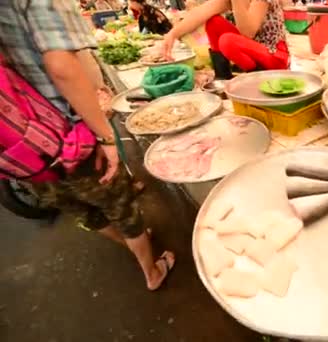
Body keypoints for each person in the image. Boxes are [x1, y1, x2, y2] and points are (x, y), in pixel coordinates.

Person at [0, 0, 174, 291]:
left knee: (80, 208)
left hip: (22, 151)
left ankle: (132, 245)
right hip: (68, 137)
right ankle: (152, 272)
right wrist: (105, 136)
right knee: (122, 207)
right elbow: (62, 66)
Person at [162, 0, 290, 79]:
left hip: (274, 56)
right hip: (252, 51)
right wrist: (172, 34)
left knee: (227, 41)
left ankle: (255, 78)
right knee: (213, 22)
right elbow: (202, 12)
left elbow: (248, 33)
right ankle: (223, 77)